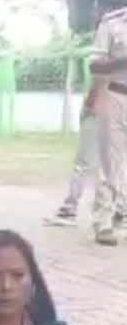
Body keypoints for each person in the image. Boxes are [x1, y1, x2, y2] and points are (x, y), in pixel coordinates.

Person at [89, 0, 127, 245]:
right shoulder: (113, 23)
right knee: (110, 161)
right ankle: (103, 222)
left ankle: (121, 212)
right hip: (117, 96)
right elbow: (95, 65)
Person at [48, 82, 103, 227]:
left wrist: (89, 105)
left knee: (83, 163)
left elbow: (103, 76)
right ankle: (116, 214)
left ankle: (69, 211)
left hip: (101, 110)